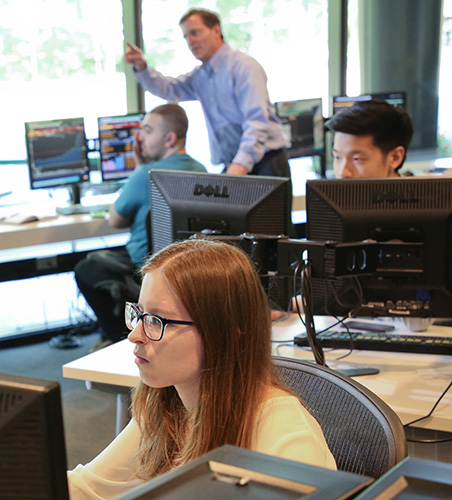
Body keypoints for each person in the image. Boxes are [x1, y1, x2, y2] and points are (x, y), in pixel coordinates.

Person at [67, 238, 336, 499]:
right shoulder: (168, 404)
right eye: (139, 314)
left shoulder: (287, 438)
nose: (135, 334)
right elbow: (88, 488)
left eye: (157, 320)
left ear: (226, 332)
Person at [74, 104, 206, 350]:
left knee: (86, 268)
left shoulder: (146, 173)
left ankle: (116, 337)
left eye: (147, 129)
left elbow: (115, 220)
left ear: (169, 139)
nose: (139, 137)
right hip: (186, 266)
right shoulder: (202, 170)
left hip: (145, 265)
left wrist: (138, 168)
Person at [124, 8, 290, 178]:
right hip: (235, 166)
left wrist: (240, 166)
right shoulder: (200, 77)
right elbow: (168, 89)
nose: (190, 42)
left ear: (216, 30)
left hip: (264, 164)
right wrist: (142, 67)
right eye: (186, 36)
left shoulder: (244, 67)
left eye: (195, 33)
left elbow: (256, 123)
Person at [325, 99, 414, 178]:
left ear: (395, 158)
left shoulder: (421, 196)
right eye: (337, 157)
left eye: (357, 159)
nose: (343, 173)